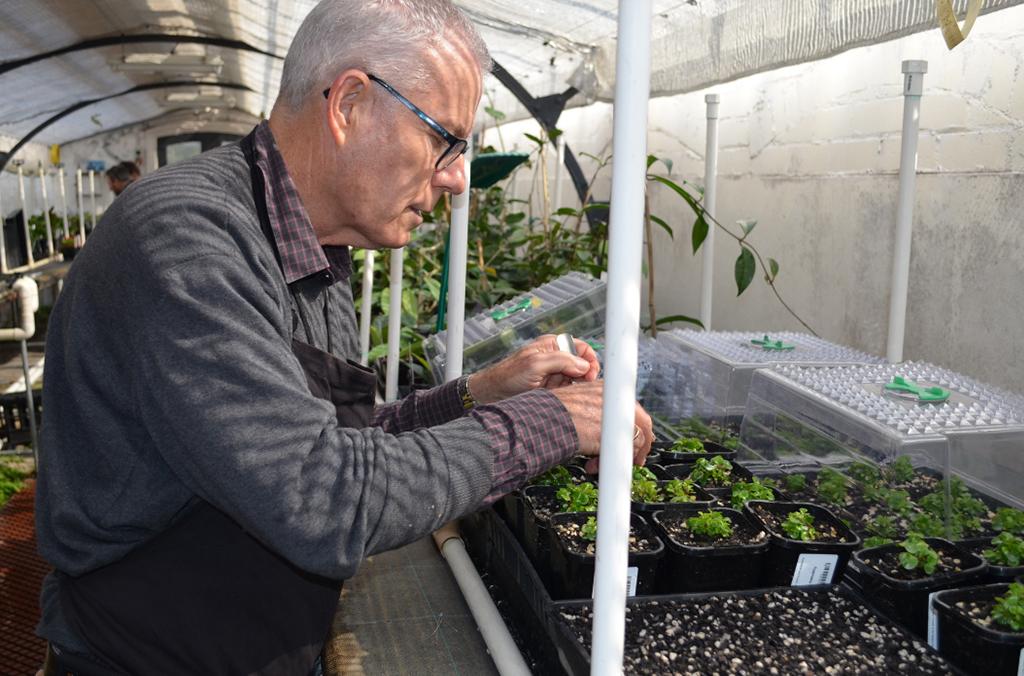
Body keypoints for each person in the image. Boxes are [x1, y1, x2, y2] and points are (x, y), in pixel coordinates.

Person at [35, 1, 652, 674]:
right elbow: (321, 497)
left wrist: (480, 394)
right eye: (444, 138)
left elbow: (329, 442)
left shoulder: (316, 246)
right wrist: (548, 424)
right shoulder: (187, 239)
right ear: (350, 103)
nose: (456, 175)